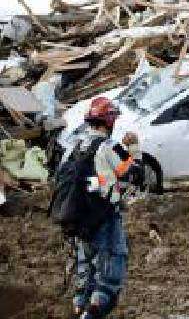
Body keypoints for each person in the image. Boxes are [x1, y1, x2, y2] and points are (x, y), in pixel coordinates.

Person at [62, 97, 142, 318]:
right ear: (108, 121)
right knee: (109, 275)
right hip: (104, 217)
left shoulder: (75, 146)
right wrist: (134, 148)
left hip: (78, 219)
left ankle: (79, 309)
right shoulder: (110, 147)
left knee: (85, 272)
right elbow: (135, 172)